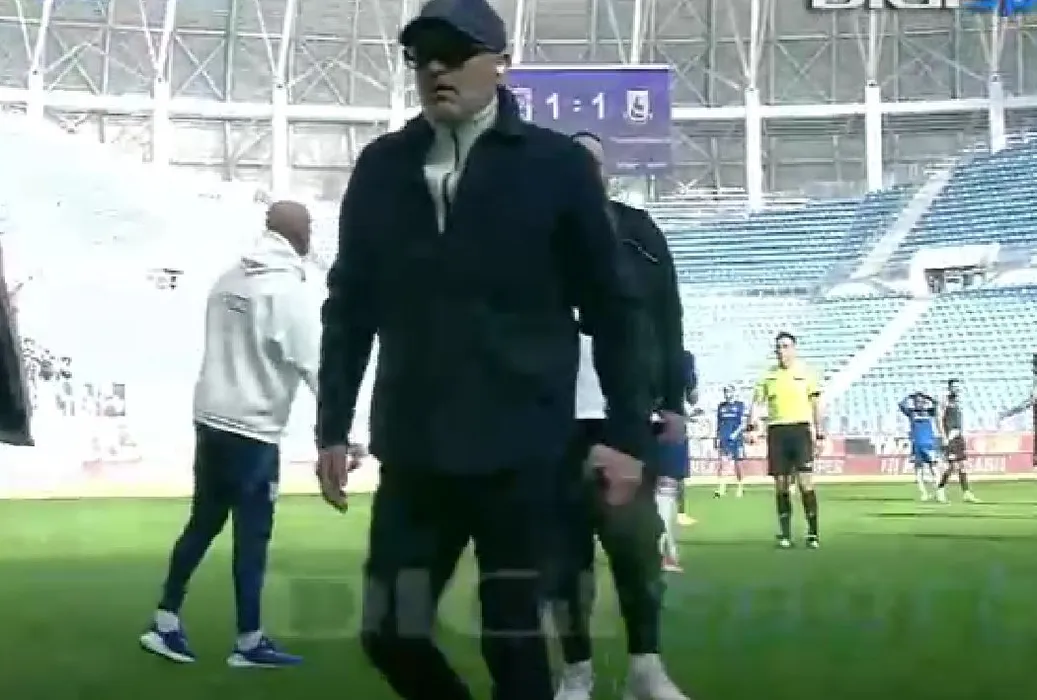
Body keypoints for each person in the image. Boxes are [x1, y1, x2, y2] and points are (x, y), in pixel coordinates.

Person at [313, 2, 653, 698]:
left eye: (455, 51)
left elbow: (613, 307)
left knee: (513, 638)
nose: (436, 68)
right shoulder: (381, 167)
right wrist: (331, 429)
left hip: (523, 452)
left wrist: (626, 434)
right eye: (421, 55)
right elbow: (349, 306)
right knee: (389, 632)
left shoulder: (556, 166)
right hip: (415, 448)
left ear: (501, 63)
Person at [139, 201, 330, 668]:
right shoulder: (287, 293)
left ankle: (165, 621)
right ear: (298, 234)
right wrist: (341, 432)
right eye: (308, 227)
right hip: (253, 429)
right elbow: (316, 368)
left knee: (203, 523)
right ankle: (248, 641)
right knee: (252, 537)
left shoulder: (228, 279)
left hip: (211, 418)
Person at [552, 131, 689, 700]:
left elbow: (667, 315)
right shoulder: (531, 235)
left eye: (593, 162)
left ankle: (645, 669)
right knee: (564, 558)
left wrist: (674, 399)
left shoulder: (639, 232)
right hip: (552, 419)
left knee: (635, 547)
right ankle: (576, 672)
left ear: (606, 173)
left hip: (626, 417)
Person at [747, 331, 824, 549]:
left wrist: (820, 434)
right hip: (777, 431)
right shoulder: (768, 377)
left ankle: (813, 533)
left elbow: (817, 405)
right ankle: (785, 534)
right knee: (781, 485)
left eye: (786, 346)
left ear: (794, 349)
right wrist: (751, 427)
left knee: (805, 482)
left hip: (800, 430)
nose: (781, 351)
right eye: (779, 347)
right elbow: (757, 404)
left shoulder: (807, 373)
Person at [935, 378, 980, 503]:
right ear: (950, 388)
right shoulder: (944, 402)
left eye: (958, 387)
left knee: (962, 466)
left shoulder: (958, 403)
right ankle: (940, 489)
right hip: (950, 437)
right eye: (955, 387)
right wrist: (944, 437)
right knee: (952, 466)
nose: (957, 389)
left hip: (959, 437)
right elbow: (939, 419)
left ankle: (966, 493)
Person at [897, 391, 939, 501]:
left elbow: (936, 403)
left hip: (929, 444)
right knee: (919, 470)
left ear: (924, 402)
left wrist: (927, 397)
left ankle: (938, 492)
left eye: (920, 401)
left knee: (934, 468)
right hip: (917, 445)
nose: (918, 403)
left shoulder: (929, 412)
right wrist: (909, 396)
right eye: (916, 401)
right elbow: (901, 404)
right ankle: (923, 493)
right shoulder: (911, 412)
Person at [675, 349, 697, 527]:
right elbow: (692, 397)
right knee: (678, 472)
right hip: (673, 419)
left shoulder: (642, 352)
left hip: (643, 417)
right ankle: (680, 513)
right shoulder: (683, 358)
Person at [713, 384, 746, 499]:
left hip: (736, 439)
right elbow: (718, 424)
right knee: (723, 463)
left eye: (729, 392)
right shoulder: (721, 407)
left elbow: (743, 423)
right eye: (725, 392)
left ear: (733, 393)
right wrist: (717, 437)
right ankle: (721, 488)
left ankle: (740, 487)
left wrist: (735, 433)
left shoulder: (739, 405)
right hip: (724, 438)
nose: (727, 394)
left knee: (738, 464)